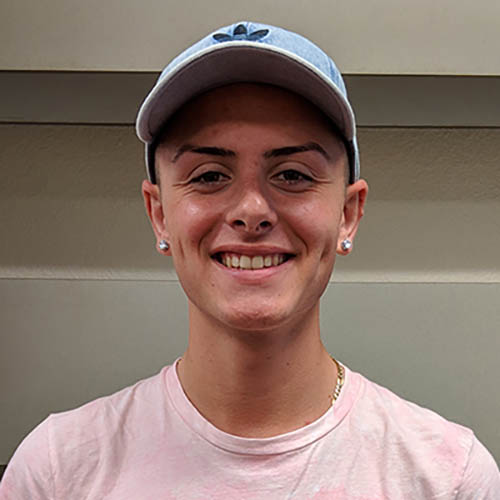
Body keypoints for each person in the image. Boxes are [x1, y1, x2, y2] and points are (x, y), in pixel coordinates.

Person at [1, 21, 499, 500]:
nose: (251, 211)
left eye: (294, 175)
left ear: (348, 214)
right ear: (159, 215)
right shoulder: (57, 470)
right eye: (210, 176)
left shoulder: (447, 477)